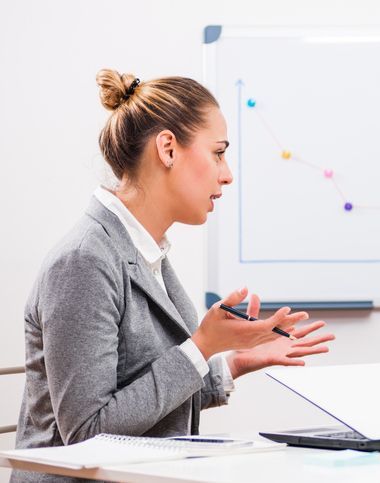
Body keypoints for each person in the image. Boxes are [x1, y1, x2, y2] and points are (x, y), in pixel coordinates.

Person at [13, 70, 334, 482]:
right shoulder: (83, 261)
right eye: (218, 153)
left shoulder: (147, 251)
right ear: (167, 149)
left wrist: (232, 362)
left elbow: (146, 393)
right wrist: (202, 347)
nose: (227, 173)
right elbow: (87, 433)